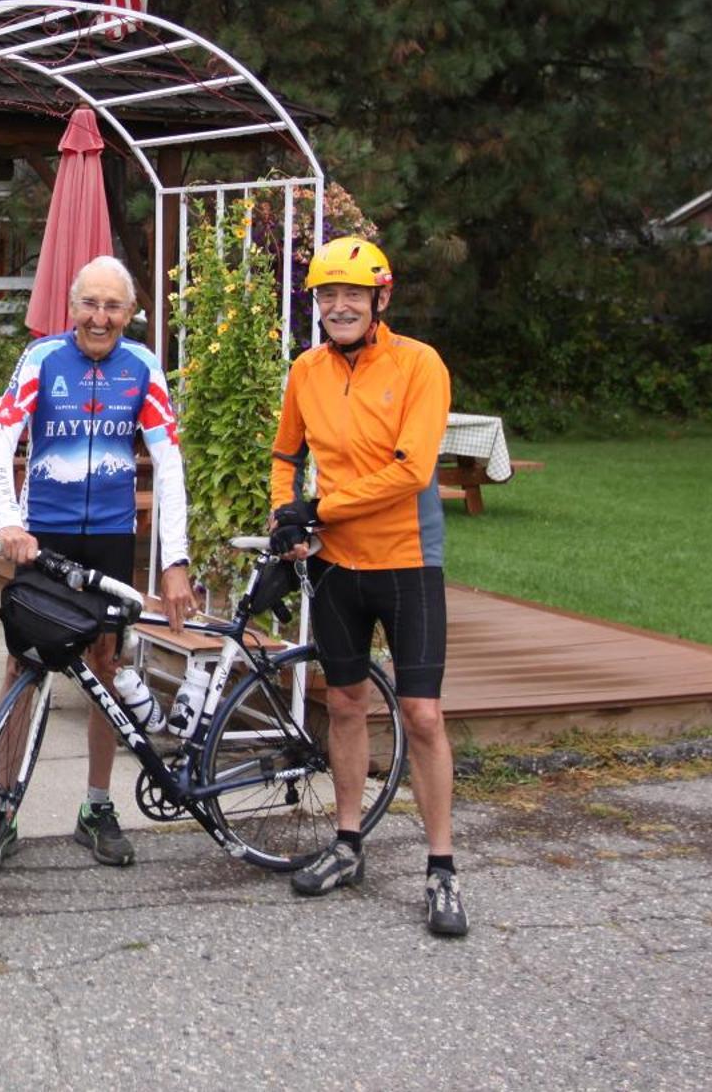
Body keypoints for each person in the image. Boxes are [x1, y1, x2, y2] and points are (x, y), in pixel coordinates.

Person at [267, 235, 466, 936]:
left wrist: (315, 509)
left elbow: (412, 472)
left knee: (423, 714)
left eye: (353, 293)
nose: (339, 305)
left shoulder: (419, 364)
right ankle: (348, 843)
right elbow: (286, 453)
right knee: (345, 704)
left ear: (381, 298)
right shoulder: (307, 370)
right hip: (336, 565)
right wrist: (283, 513)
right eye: (327, 294)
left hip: (408, 559)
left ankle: (441, 866)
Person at [0, 254, 195, 870]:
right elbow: (0, 442)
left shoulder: (143, 366)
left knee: (104, 665)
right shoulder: (43, 359)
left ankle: (96, 806)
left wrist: (173, 560)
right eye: (89, 304)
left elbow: (169, 465)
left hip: (110, 537)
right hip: (44, 535)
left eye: (114, 306)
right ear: (72, 307)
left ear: (131, 312)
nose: (100, 318)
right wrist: (10, 521)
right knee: (24, 666)